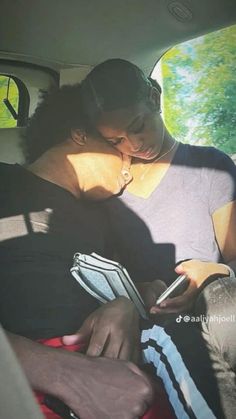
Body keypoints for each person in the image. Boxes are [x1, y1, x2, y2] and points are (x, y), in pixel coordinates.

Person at [77, 58, 236, 418]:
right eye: (116, 140)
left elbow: (234, 260)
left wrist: (211, 272)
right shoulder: (107, 189)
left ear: (154, 97)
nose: (135, 144)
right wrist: (137, 290)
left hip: (212, 312)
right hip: (143, 323)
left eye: (139, 126)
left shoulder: (210, 166)